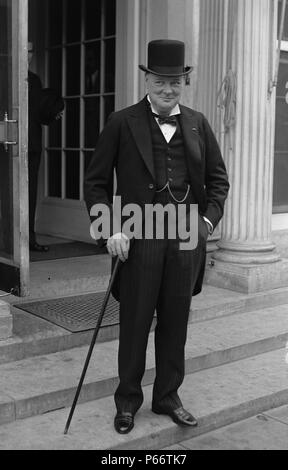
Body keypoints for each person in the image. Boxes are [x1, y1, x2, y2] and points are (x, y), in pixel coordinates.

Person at [84, 40, 230, 434]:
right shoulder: (121, 121)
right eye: (161, 81)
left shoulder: (199, 123)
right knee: (134, 322)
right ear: (147, 79)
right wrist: (108, 229)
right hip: (137, 235)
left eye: (176, 82)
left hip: (185, 237)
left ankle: (167, 396)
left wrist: (206, 226)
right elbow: (96, 183)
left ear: (184, 81)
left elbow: (218, 182)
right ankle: (128, 400)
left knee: (175, 322)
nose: (168, 89)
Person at [28, 41, 64, 252]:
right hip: (8, 142)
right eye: (24, 49)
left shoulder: (34, 80)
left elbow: (40, 111)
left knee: (31, 191)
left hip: (32, 143)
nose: (28, 55)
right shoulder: (5, 74)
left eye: (31, 50)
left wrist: (55, 109)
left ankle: (29, 239)